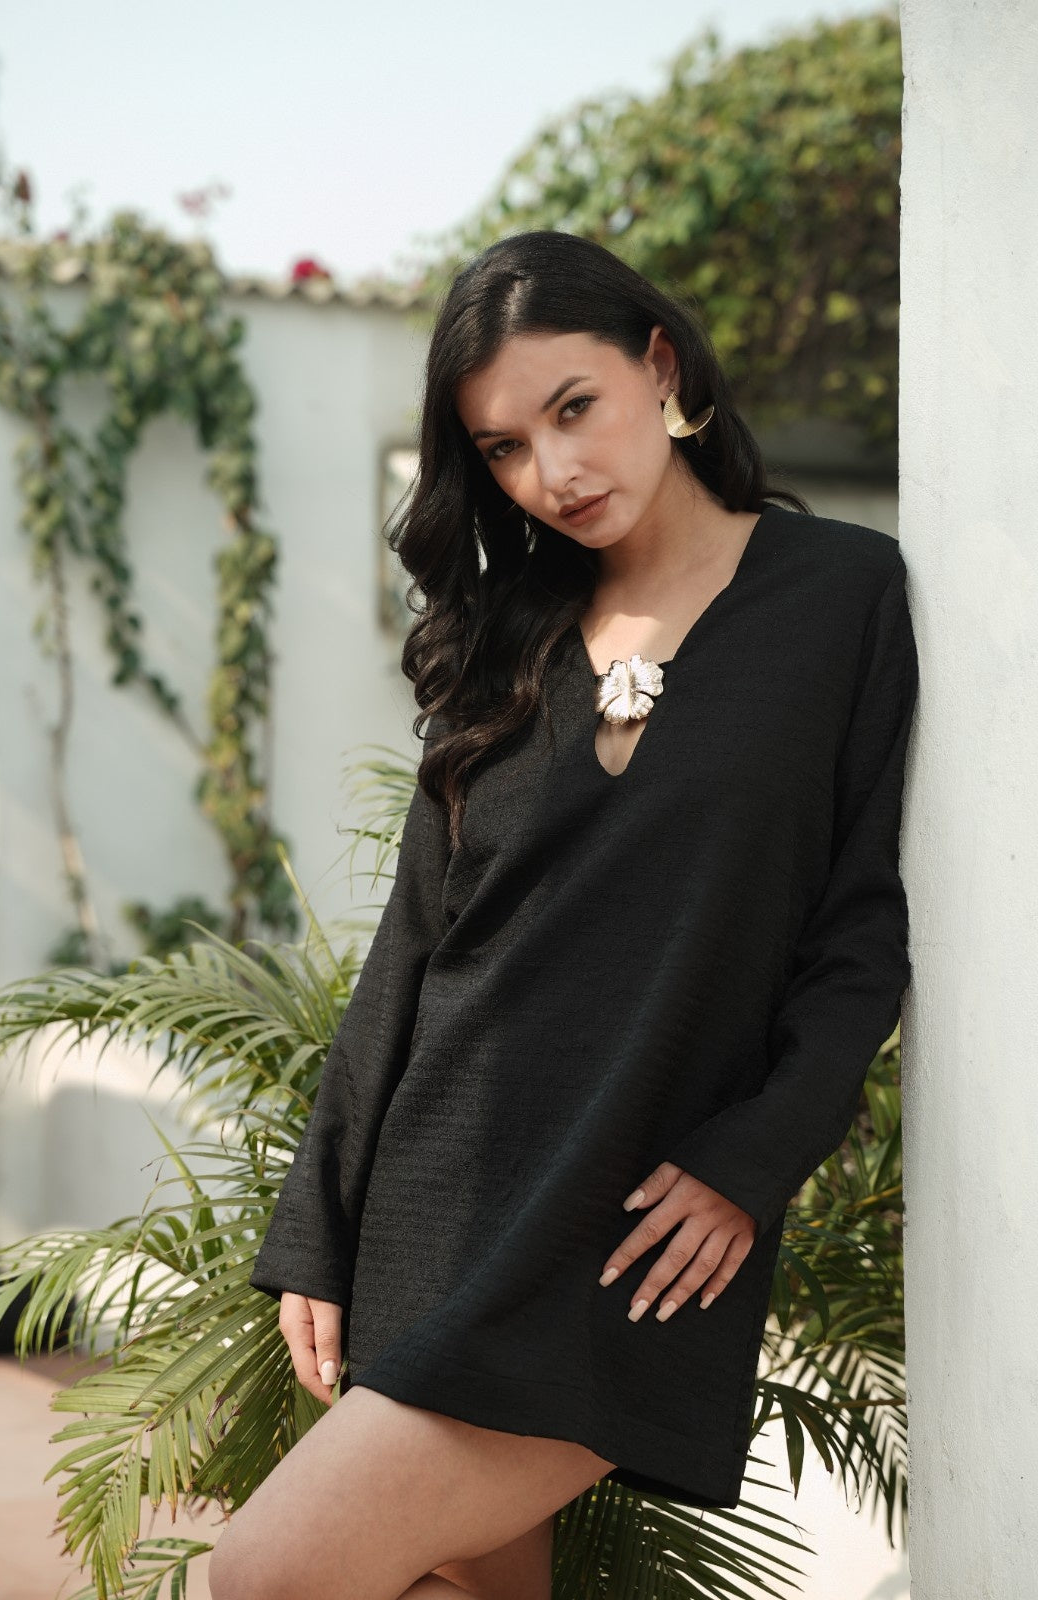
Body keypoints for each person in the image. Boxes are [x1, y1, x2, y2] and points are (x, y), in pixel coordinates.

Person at [210, 230, 919, 1600]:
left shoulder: (842, 597)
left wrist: (753, 1157)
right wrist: (317, 1228)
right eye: (504, 447)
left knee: (262, 1575)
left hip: (629, 1231)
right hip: (437, 1206)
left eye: (574, 407)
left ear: (660, 365)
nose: (554, 471)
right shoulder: (505, 636)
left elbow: (858, 933)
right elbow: (416, 950)